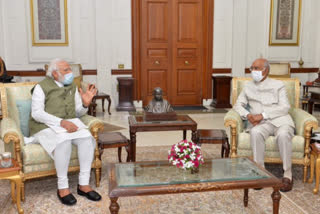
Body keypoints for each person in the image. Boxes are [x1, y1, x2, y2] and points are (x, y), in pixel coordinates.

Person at [29, 58, 101, 205]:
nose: (70, 73)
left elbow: (77, 112)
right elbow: (36, 113)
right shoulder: (41, 87)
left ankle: (84, 185)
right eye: (66, 70)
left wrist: (85, 104)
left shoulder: (73, 87)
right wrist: (61, 122)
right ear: (55, 74)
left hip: (68, 124)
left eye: (70, 69)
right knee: (63, 141)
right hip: (45, 126)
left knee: (87, 139)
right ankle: (63, 188)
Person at [233, 58, 294, 192]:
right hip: (260, 123)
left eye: (256, 68)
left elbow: (285, 107)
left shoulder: (278, 85)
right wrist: (247, 115)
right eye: (252, 68)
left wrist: (263, 115)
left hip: (280, 120)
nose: (252, 71)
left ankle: (287, 175)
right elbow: (238, 105)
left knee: (283, 135)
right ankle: (260, 173)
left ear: (265, 70)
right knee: (255, 132)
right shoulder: (248, 86)